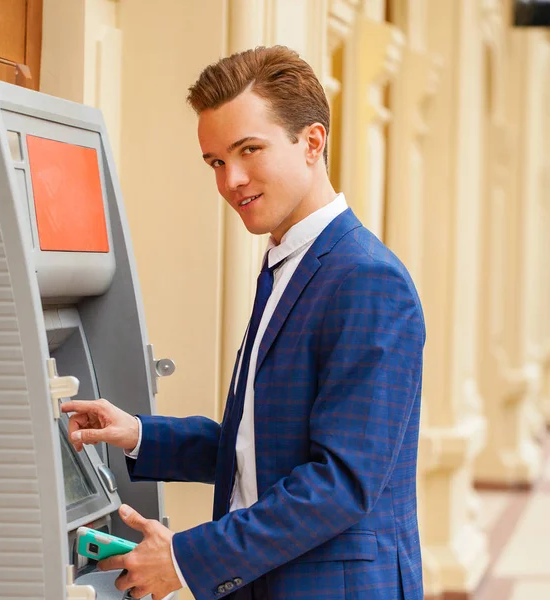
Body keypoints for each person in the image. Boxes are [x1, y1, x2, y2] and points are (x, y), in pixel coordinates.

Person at [62, 45, 426, 600]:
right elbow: (266, 447)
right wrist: (139, 434)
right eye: (214, 161)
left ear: (312, 141)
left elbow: (341, 483)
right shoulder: (289, 262)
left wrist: (183, 559)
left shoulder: (367, 280)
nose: (231, 179)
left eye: (249, 150)